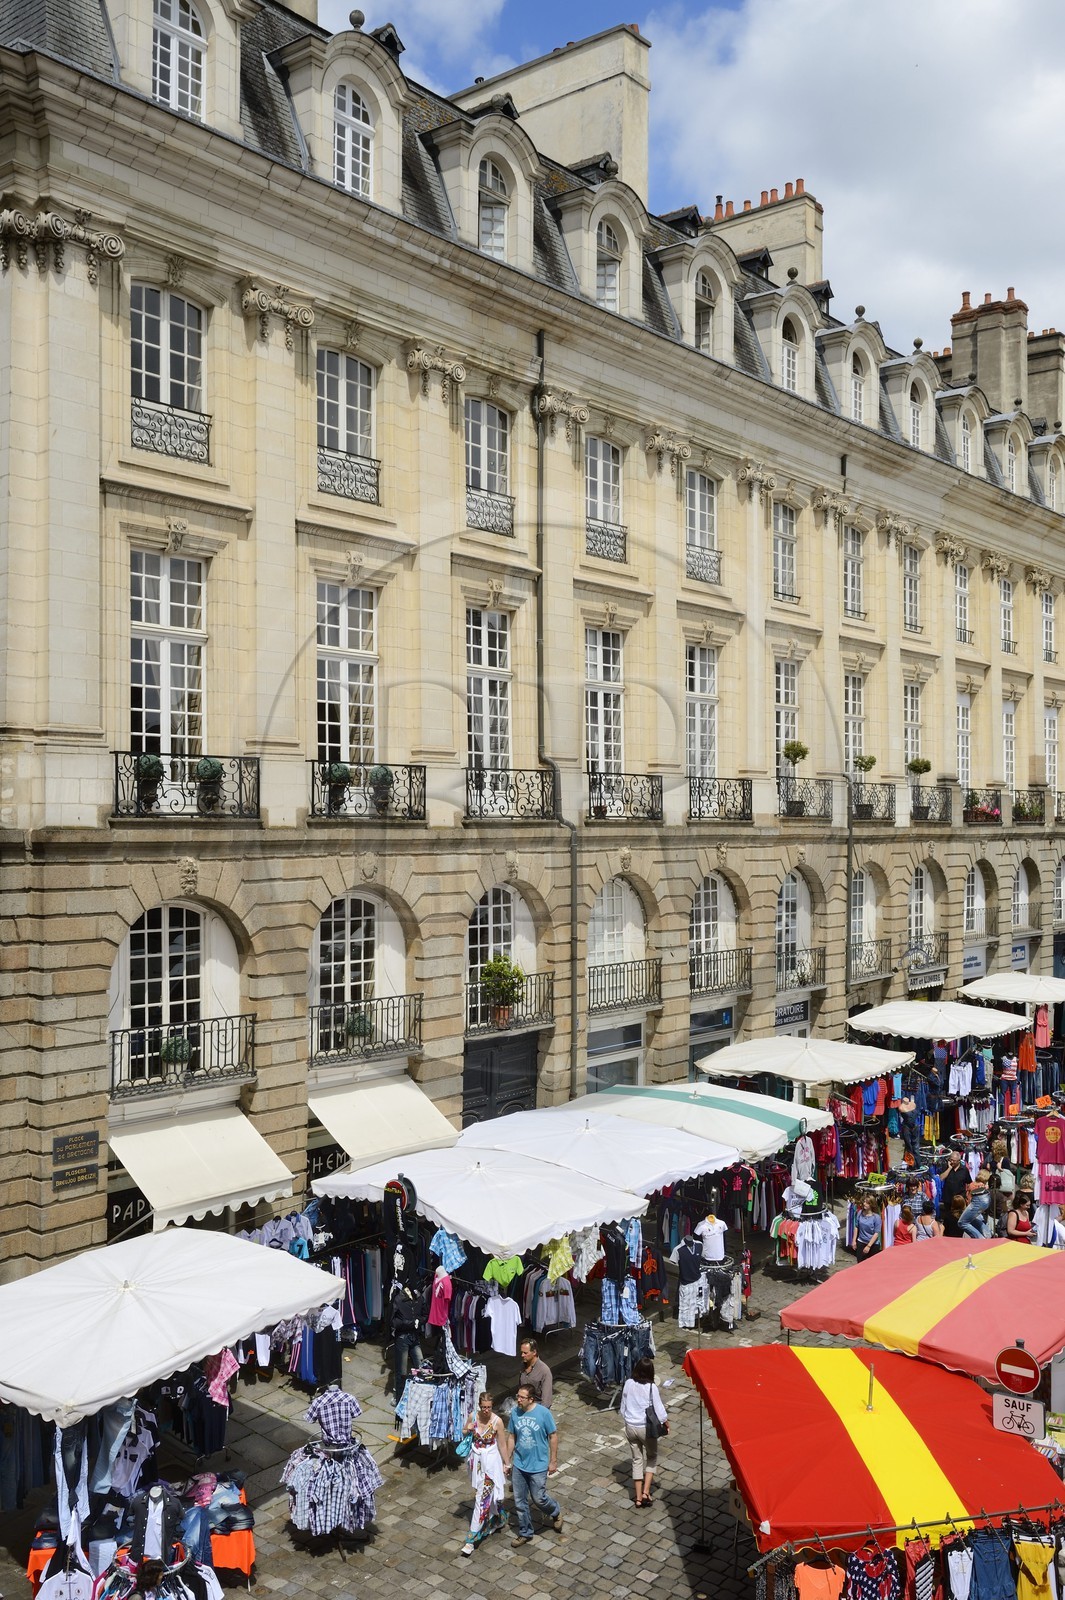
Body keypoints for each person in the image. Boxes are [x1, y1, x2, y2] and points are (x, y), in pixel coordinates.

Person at [504, 1384, 562, 1546]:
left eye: (521, 1397)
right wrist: (507, 1460)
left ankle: (555, 1511)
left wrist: (553, 1460)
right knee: (519, 1501)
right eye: (518, 1396)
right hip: (520, 1465)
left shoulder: (543, 1413)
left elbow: (553, 1436)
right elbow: (511, 1437)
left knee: (539, 1498)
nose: (518, 1400)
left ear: (531, 1399)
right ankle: (525, 1532)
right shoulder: (515, 1413)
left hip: (538, 1465)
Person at [460, 1391, 507, 1557]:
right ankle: (499, 1518)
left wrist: (506, 1463)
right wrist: (468, 1429)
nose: (486, 1410)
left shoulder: (497, 1422)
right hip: (476, 1463)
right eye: (484, 1407)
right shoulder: (473, 1416)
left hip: (491, 1466)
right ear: (480, 1406)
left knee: (481, 1499)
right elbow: (464, 1431)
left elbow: (502, 1444)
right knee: (488, 1496)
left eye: (489, 1407)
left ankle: (470, 1540)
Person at [619, 1356, 668, 1507]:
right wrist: (666, 1423)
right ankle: (646, 1492)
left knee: (636, 1460)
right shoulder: (651, 1388)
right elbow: (659, 1410)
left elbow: (623, 1407)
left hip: (630, 1427)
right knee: (652, 1456)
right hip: (645, 1428)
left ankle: (638, 1497)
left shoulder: (628, 1383)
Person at [515, 1339, 553, 1410]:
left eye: (525, 1353)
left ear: (534, 1352)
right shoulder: (522, 1365)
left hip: (537, 1407)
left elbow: (546, 1400)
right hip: (523, 1405)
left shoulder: (544, 1371)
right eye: (522, 1352)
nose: (522, 1355)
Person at [940, 1150, 970, 1238]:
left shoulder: (964, 1170)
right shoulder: (946, 1167)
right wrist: (949, 1168)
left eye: (954, 1160)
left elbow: (969, 1183)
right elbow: (941, 1178)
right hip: (948, 1198)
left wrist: (967, 1196)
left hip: (959, 1199)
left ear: (959, 1161)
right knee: (949, 1218)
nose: (952, 1162)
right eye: (951, 1160)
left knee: (960, 1218)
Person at [958, 1170, 992, 1238]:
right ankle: (987, 1234)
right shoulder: (984, 1185)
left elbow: (970, 1198)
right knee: (973, 1220)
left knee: (962, 1222)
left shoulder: (973, 1185)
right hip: (985, 1201)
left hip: (976, 1203)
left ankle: (980, 1238)